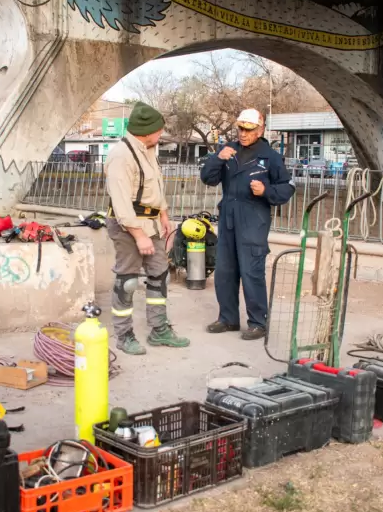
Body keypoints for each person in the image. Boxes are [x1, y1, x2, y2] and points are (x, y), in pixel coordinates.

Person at [200, 108, 295, 340]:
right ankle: (228, 318)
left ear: (260, 129)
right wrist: (217, 158)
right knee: (225, 271)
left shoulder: (270, 156)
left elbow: (287, 187)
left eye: (249, 130)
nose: (243, 133)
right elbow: (207, 178)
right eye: (240, 129)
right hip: (228, 217)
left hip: (254, 219)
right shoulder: (227, 150)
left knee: (251, 271)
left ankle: (258, 322)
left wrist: (266, 191)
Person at [104, 102, 190, 355]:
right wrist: (139, 235)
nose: (161, 135)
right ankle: (123, 334)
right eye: (159, 131)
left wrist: (164, 214)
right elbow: (121, 204)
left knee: (159, 276)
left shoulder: (147, 149)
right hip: (128, 226)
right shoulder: (121, 155)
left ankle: (159, 330)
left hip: (151, 223)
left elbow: (154, 187)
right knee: (127, 281)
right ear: (147, 131)